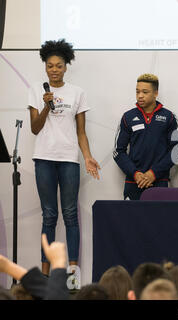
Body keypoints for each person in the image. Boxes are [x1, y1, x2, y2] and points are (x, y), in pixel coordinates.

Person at [28, 39, 100, 276]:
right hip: (44, 158)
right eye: (50, 66)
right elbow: (35, 128)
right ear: (45, 67)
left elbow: (81, 132)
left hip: (69, 159)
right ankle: (46, 273)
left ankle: (72, 273)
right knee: (49, 215)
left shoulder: (77, 92)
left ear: (66, 67)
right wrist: (47, 105)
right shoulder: (36, 90)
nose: (54, 70)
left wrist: (87, 156)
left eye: (59, 65)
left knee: (70, 214)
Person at [114, 74, 178, 200]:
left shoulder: (169, 117)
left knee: (159, 220)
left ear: (155, 93)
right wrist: (135, 173)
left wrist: (154, 173)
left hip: (159, 182)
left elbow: (177, 151)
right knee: (132, 220)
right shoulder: (127, 117)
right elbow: (118, 151)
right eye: (137, 91)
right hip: (134, 183)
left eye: (145, 92)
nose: (140, 95)